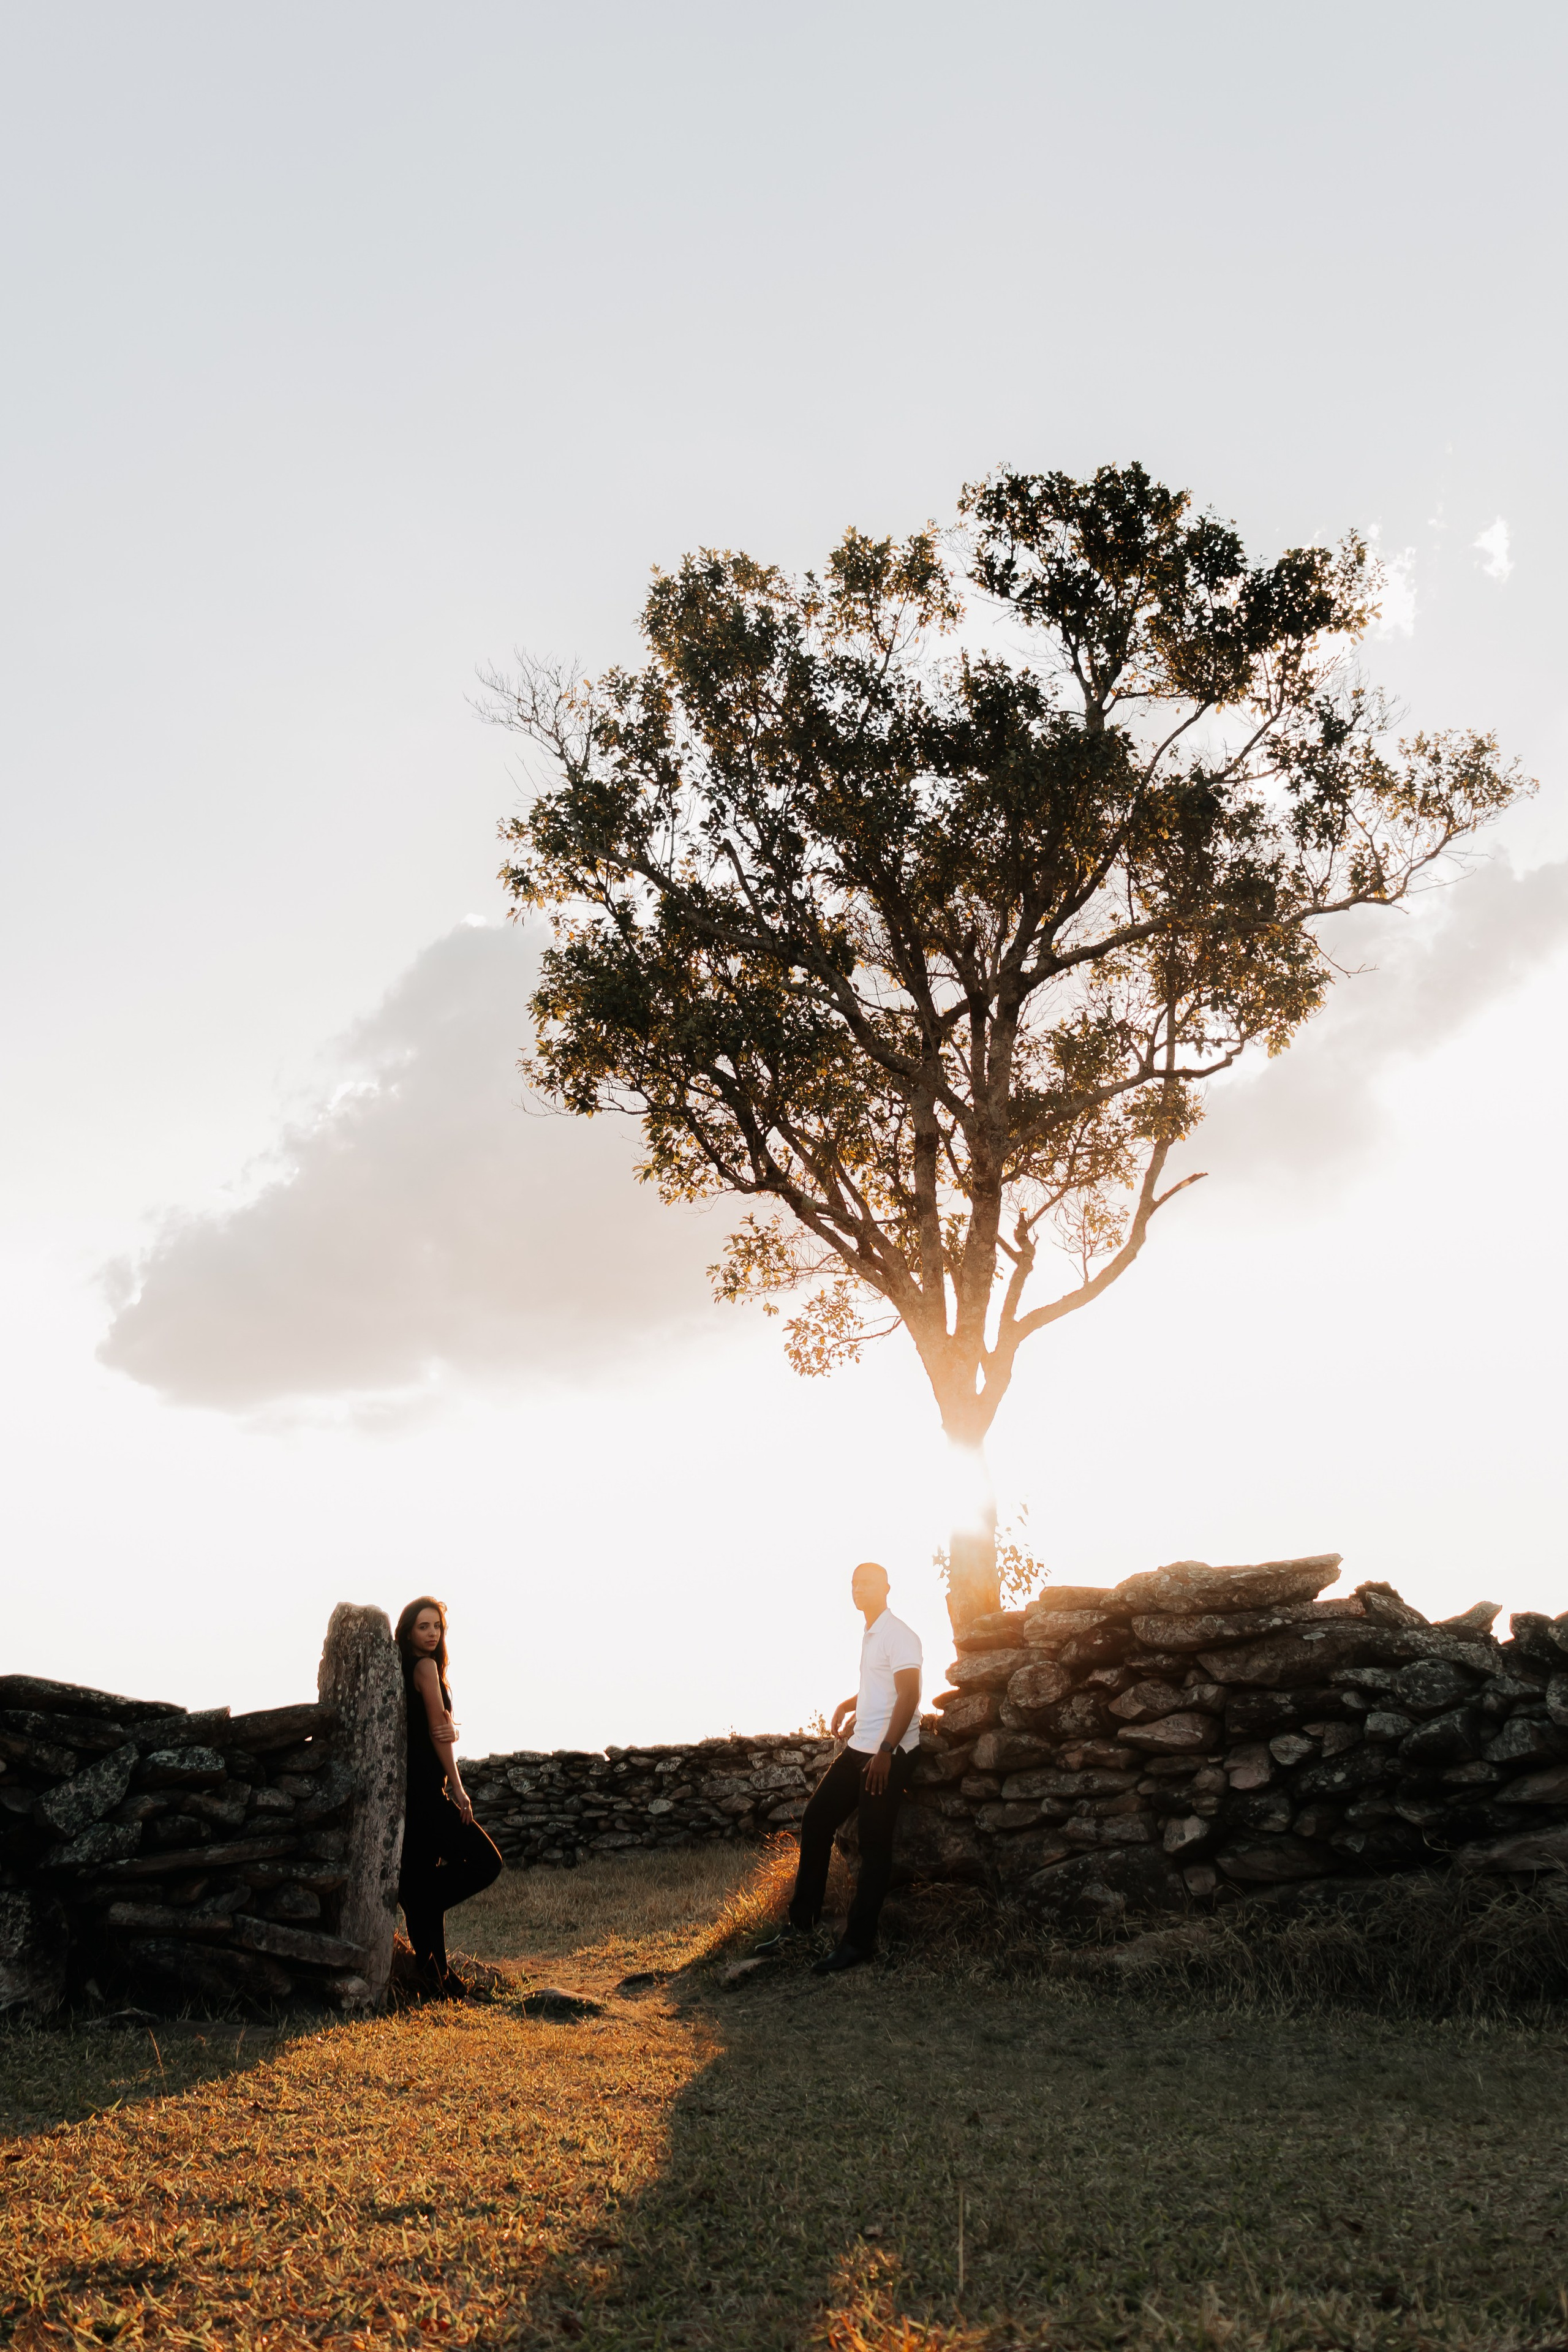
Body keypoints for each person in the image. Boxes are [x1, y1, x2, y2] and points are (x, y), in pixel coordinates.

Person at [758, 1559, 923, 1975]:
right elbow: (880, 1685)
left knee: (873, 1843)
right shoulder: (871, 1635)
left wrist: (887, 1749)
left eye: (868, 1582)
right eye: (855, 1584)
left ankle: (858, 1943)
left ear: (887, 1587)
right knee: (816, 1819)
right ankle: (803, 1922)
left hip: (890, 1751)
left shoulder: (899, 1634)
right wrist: (849, 1704)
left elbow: (909, 1695)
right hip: (861, 1747)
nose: (859, 1589)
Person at [394, 1595, 502, 1997]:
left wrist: (449, 1729)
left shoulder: (405, 1669)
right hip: (425, 1794)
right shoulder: (425, 1667)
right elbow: (440, 1733)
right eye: (423, 1626)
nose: (432, 1633)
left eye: (436, 1626)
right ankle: (419, 1899)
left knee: (423, 1882)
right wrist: (457, 1787)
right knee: (487, 1863)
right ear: (408, 1631)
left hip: (409, 1794)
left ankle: (436, 1979)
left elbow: (436, 1727)